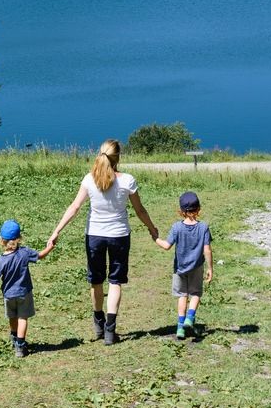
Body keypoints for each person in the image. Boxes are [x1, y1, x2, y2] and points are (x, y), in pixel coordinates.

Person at [48, 139, 158, 345]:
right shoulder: (127, 181)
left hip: (95, 236)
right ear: (118, 158)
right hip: (119, 236)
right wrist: (152, 230)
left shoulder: (89, 180)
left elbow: (75, 207)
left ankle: (98, 320)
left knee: (96, 280)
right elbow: (140, 210)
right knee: (115, 281)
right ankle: (110, 329)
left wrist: (56, 231)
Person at [0, 219, 54, 357]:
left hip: (9, 295)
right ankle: (20, 345)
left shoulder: (1, 260)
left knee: (12, 316)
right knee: (22, 317)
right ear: (19, 239)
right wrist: (49, 247)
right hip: (24, 292)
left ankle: (14, 336)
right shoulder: (24, 253)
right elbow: (40, 256)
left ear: (2, 241)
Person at [154, 191, 213, 339]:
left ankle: (180, 328)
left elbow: (167, 246)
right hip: (197, 267)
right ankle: (190, 319)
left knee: (182, 295)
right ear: (198, 208)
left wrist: (155, 237)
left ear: (181, 210)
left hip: (180, 268)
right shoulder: (203, 227)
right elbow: (207, 249)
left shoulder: (176, 227)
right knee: (195, 294)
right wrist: (210, 268)